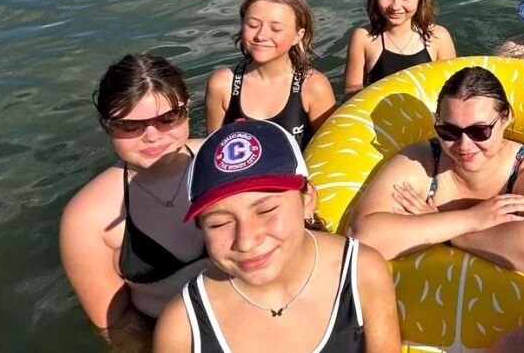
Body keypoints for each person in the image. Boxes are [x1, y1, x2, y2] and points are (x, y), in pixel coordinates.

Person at [153, 120, 400, 352]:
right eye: (219, 223)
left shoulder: (362, 271)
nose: (246, 242)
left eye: (266, 210)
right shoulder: (182, 327)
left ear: (307, 200)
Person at [346, 66, 524, 274]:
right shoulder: (423, 160)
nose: (464, 145)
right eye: (449, 131)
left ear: (505, 117)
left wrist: (446, 229)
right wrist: (471, 219)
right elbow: (360, 236)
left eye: (479, 131)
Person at [60, 54, 209, 349]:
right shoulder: (86, 218)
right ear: (106, 126)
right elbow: (116, 323)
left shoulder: (224, 161)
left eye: (168, 118)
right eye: (130, 126)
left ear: (187, 110)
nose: (152, 137)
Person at [205, 0, 336, 150]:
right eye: (252, 25)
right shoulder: (222, 84)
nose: (261, 36)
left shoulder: (314, 86)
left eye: (276, 29)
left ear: (298, 36)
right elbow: (213, 151)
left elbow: (329, 150)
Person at [344, 0, 456, 97]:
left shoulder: (439, 38)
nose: (395, 6)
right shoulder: (364, 38)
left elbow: (452, 94)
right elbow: (351, 93)